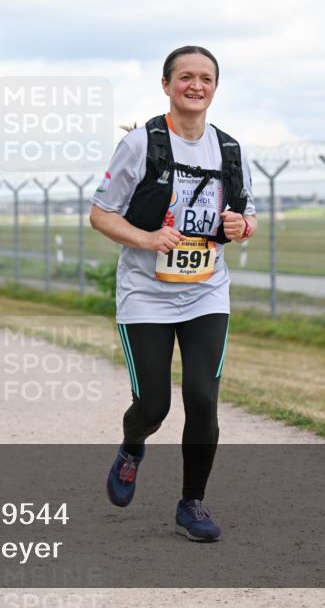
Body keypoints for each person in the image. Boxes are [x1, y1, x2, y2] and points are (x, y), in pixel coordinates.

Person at [90, 46, 258, 542]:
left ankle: (192, 503)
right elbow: (101, 213)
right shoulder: (142, 143)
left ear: (215, 88)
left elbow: (251, 218)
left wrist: (240, 225)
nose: (196, 85)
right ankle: (132, 445)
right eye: (185, 76)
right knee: (155, 405)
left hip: (207, 291)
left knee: (203, 399)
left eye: (205, 78)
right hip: (145, 292)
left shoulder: (229, 150)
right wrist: (146, 239)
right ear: (167, 85)